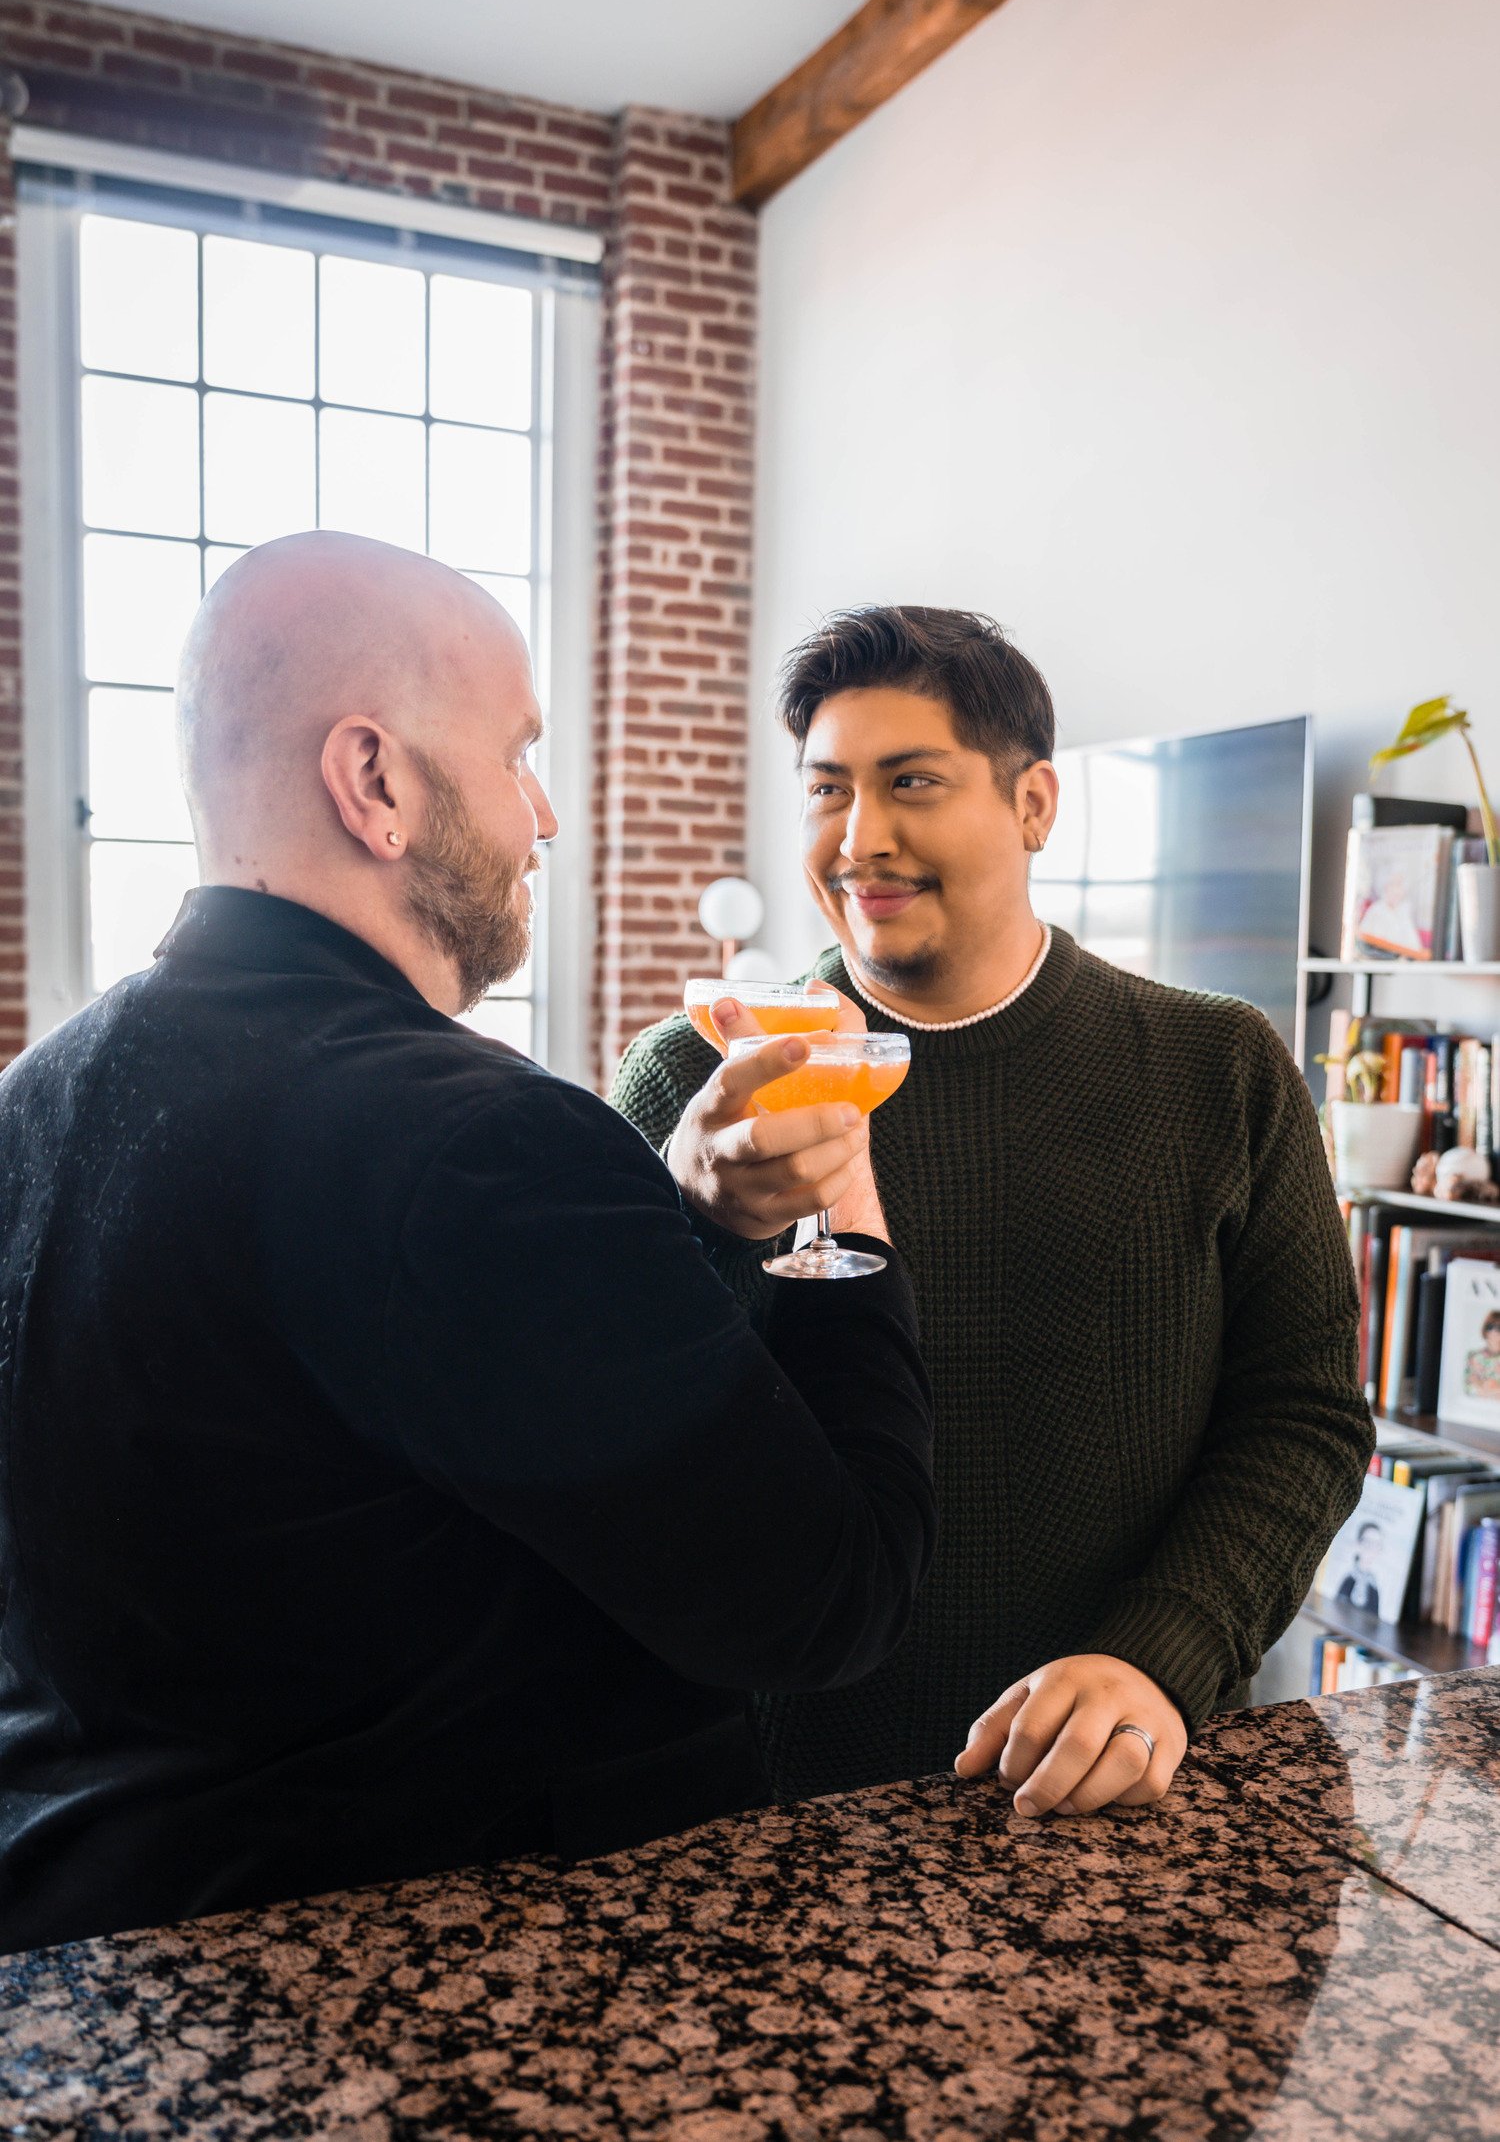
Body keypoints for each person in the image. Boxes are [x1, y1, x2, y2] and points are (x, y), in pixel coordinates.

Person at [0, 535, 936, 1956]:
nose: (544, 815)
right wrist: (841, 1206)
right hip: (419, 1988)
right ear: (374, 780)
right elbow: (826, 1602)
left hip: (89, 1962)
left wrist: (678, 1220)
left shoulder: (35, 1100)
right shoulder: (488, 1144)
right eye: (517, 755)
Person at [612, 605, 1374, 1823]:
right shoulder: (690, 1080)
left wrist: (1157, 1655)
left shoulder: (1216, 1066)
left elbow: (1303, 1415)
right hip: (770, 1801)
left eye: (911, 781)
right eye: (826, 791)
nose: (861, 839)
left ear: (1033, 806)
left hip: (1119, 1781)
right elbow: (606, 1435)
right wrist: (696, 1218)